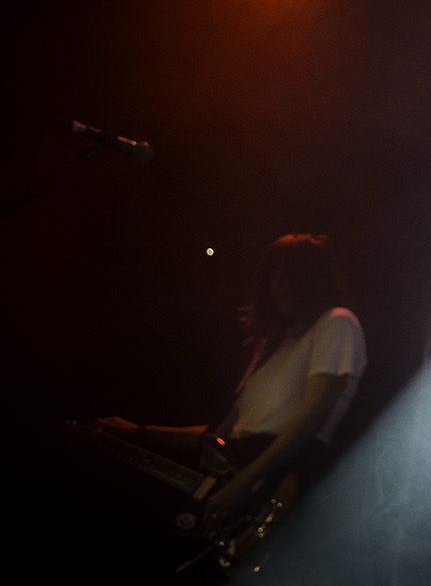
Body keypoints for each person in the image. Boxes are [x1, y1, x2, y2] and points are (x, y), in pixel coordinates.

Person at [98, 232, 367, 543]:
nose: (275, 287)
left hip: (283, 473)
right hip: (242, 471)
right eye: (272, 278)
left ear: (310, 279)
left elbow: (312, 417)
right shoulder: (269, 346)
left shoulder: (337, 322)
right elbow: (221, 434)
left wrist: (240, 485)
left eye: (286, 278)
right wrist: (134, 432)